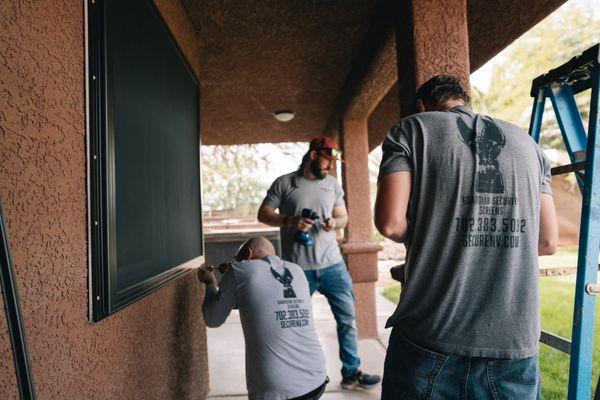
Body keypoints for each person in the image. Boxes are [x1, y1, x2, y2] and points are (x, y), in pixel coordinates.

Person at [374, 75, 558, 399]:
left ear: (422, 106)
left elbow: (390, 225)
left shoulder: (411, 129)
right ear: (466, 100)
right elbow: (547, 242)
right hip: (514, 343)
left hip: (431, 334)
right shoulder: (529, 145)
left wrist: (436, 229)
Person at [257, 137, 381, 390]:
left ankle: (351, 371)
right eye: (327, 161)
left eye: (333, 162)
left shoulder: (332, 184)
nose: (330, 167)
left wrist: (333, 223)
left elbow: (343, 217)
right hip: (297, 270)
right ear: (313, 155)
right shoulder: (285, 183)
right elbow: (263, 214)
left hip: (333, 265)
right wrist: (291, 221)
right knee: (294, 325)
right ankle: (293, 379)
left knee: (347, 320)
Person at [197, 236, 328, 400]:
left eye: (238, 259)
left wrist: (210, 284)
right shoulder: (297, 270)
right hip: (316, 378)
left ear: (249, 254)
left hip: (277, 390)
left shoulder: (239, 271)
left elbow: (212, 318)